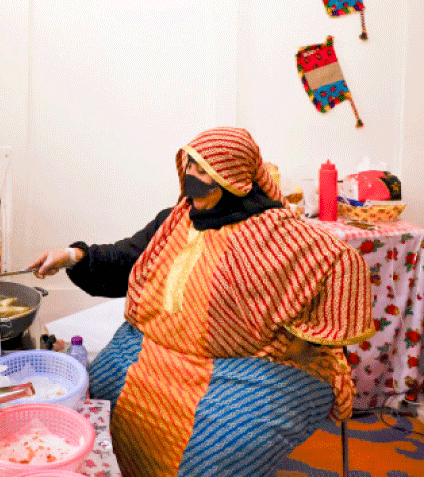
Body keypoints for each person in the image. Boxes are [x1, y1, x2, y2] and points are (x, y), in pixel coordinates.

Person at [30, 127, 374, 477]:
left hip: (241, 360)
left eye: (203, 170)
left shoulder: (274, 233)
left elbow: (337, 257)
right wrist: (71, 255)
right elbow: (126, 255)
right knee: (97, 394)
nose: (191, 178)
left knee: (215, 450)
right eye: (189, 167)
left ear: (234, 179)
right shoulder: (176, 219)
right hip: (157, 349)